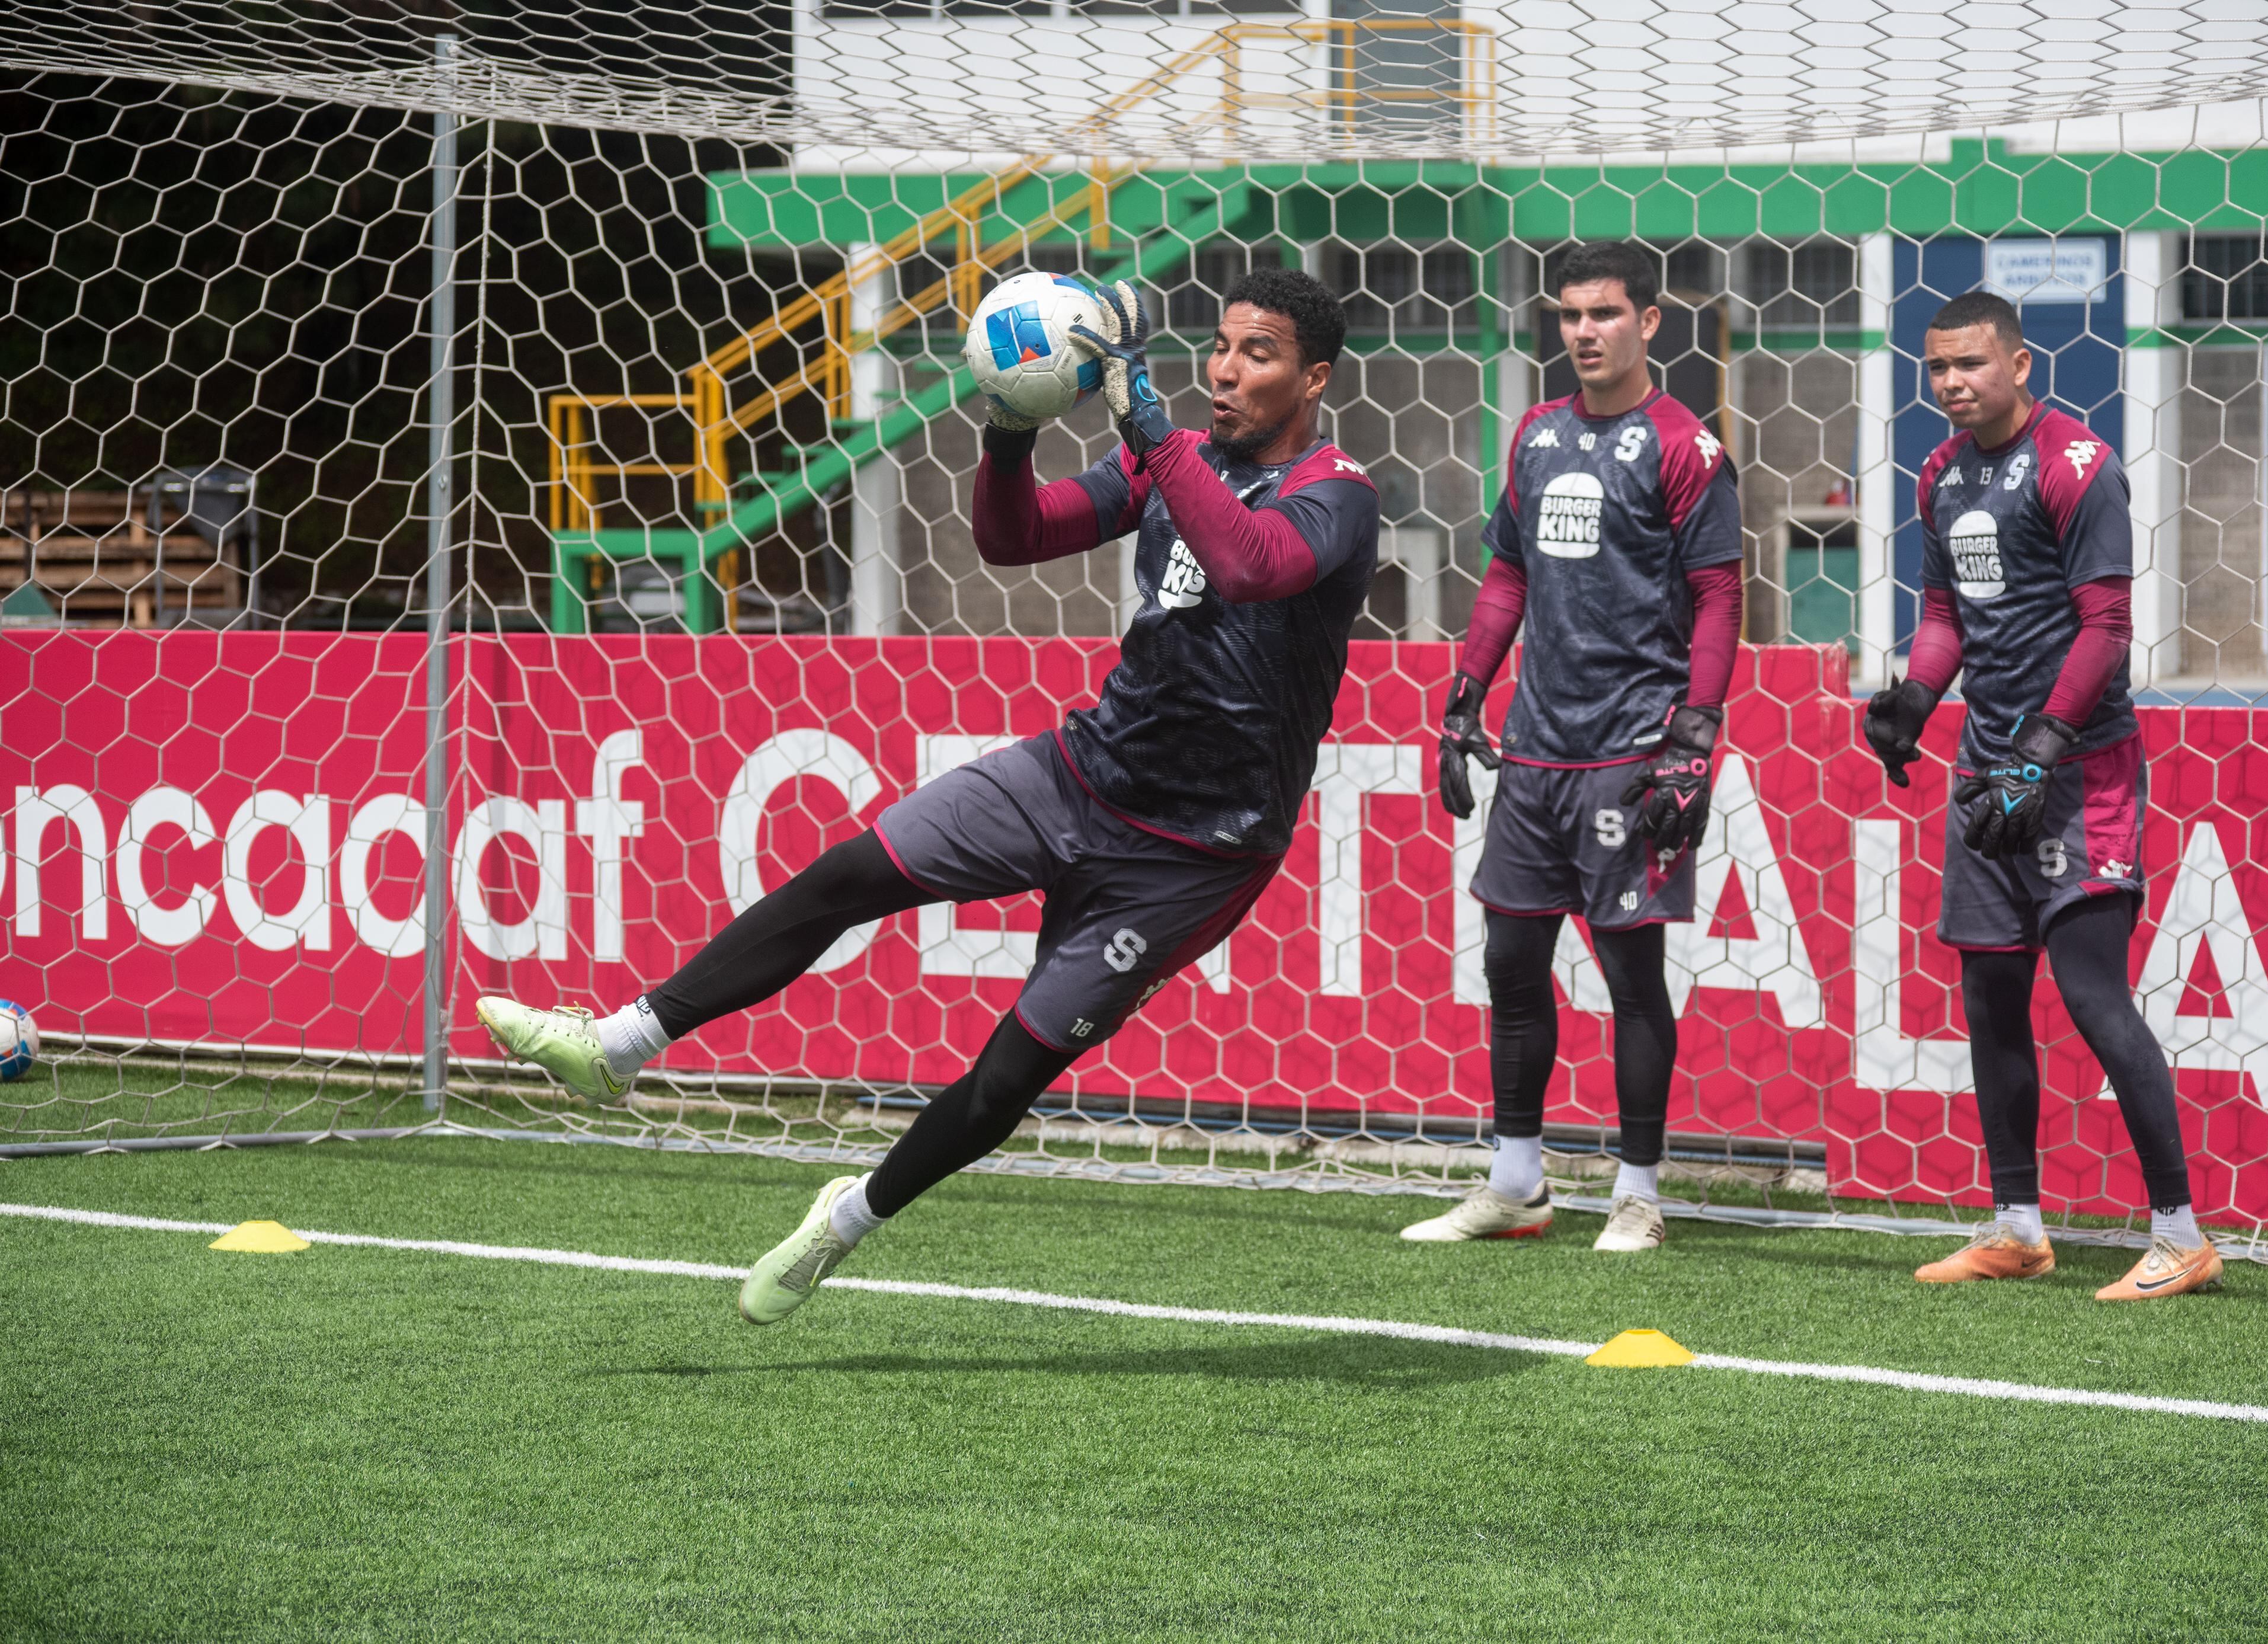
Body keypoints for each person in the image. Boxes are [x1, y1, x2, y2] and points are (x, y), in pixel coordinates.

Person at [477, 268, 1378, 1324]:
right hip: (1080, 770)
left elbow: (1252, 565)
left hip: (1195, 851)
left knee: (1005, 1078)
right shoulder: (1177, 464)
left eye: (1258, 354)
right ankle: (617, 1047)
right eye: (1222, 346)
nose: (1226, 371)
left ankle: (846, 1217)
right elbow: (1015, 536)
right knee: (853, 871)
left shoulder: (1338, 492)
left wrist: (1156, 439)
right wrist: (1005, 436)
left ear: (1313, 377)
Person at [1863, 289, 2219, 1301]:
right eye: (1936, 368)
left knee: (2095, 998)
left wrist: (2044, 747)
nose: (1951, 384)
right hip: (1986, 774)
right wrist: (1916, 700)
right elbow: (1944, 616)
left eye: (1970, 365)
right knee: (1990, 1000)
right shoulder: (1939, 471)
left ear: (2021, 365)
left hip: (2079, 775)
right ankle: (2018, 1224)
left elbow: (2106, 629)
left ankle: (2182, 1232)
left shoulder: (2077, 467)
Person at [1404, 241, 1742, 1253]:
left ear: (1649, 322)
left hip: (1631, 750)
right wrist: (1466, 693)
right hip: (1534, 751)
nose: (1584, 332)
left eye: (1603, 314)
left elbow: (1721, 595)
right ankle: (1518, 1181)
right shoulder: (1537, 435)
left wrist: (1694, 735)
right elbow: (1506, 574)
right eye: (1569, 316)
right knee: (1513, 964)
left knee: (1630, 977)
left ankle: (1637, 1191)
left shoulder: (1687, 446)